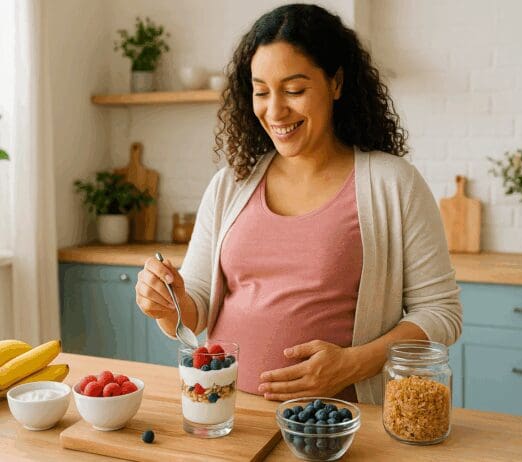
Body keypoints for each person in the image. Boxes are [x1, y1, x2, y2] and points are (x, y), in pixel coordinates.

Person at [135, 3, 462, 404]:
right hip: (227, 414)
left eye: (294, 90)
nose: (275, 111)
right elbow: (196, 304)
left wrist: (354, 363)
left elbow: (441, 314)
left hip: (335, 424)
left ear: (336, 83)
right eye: (261, 91)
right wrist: (167, 302)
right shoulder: (231, 185)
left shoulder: (393, 184)